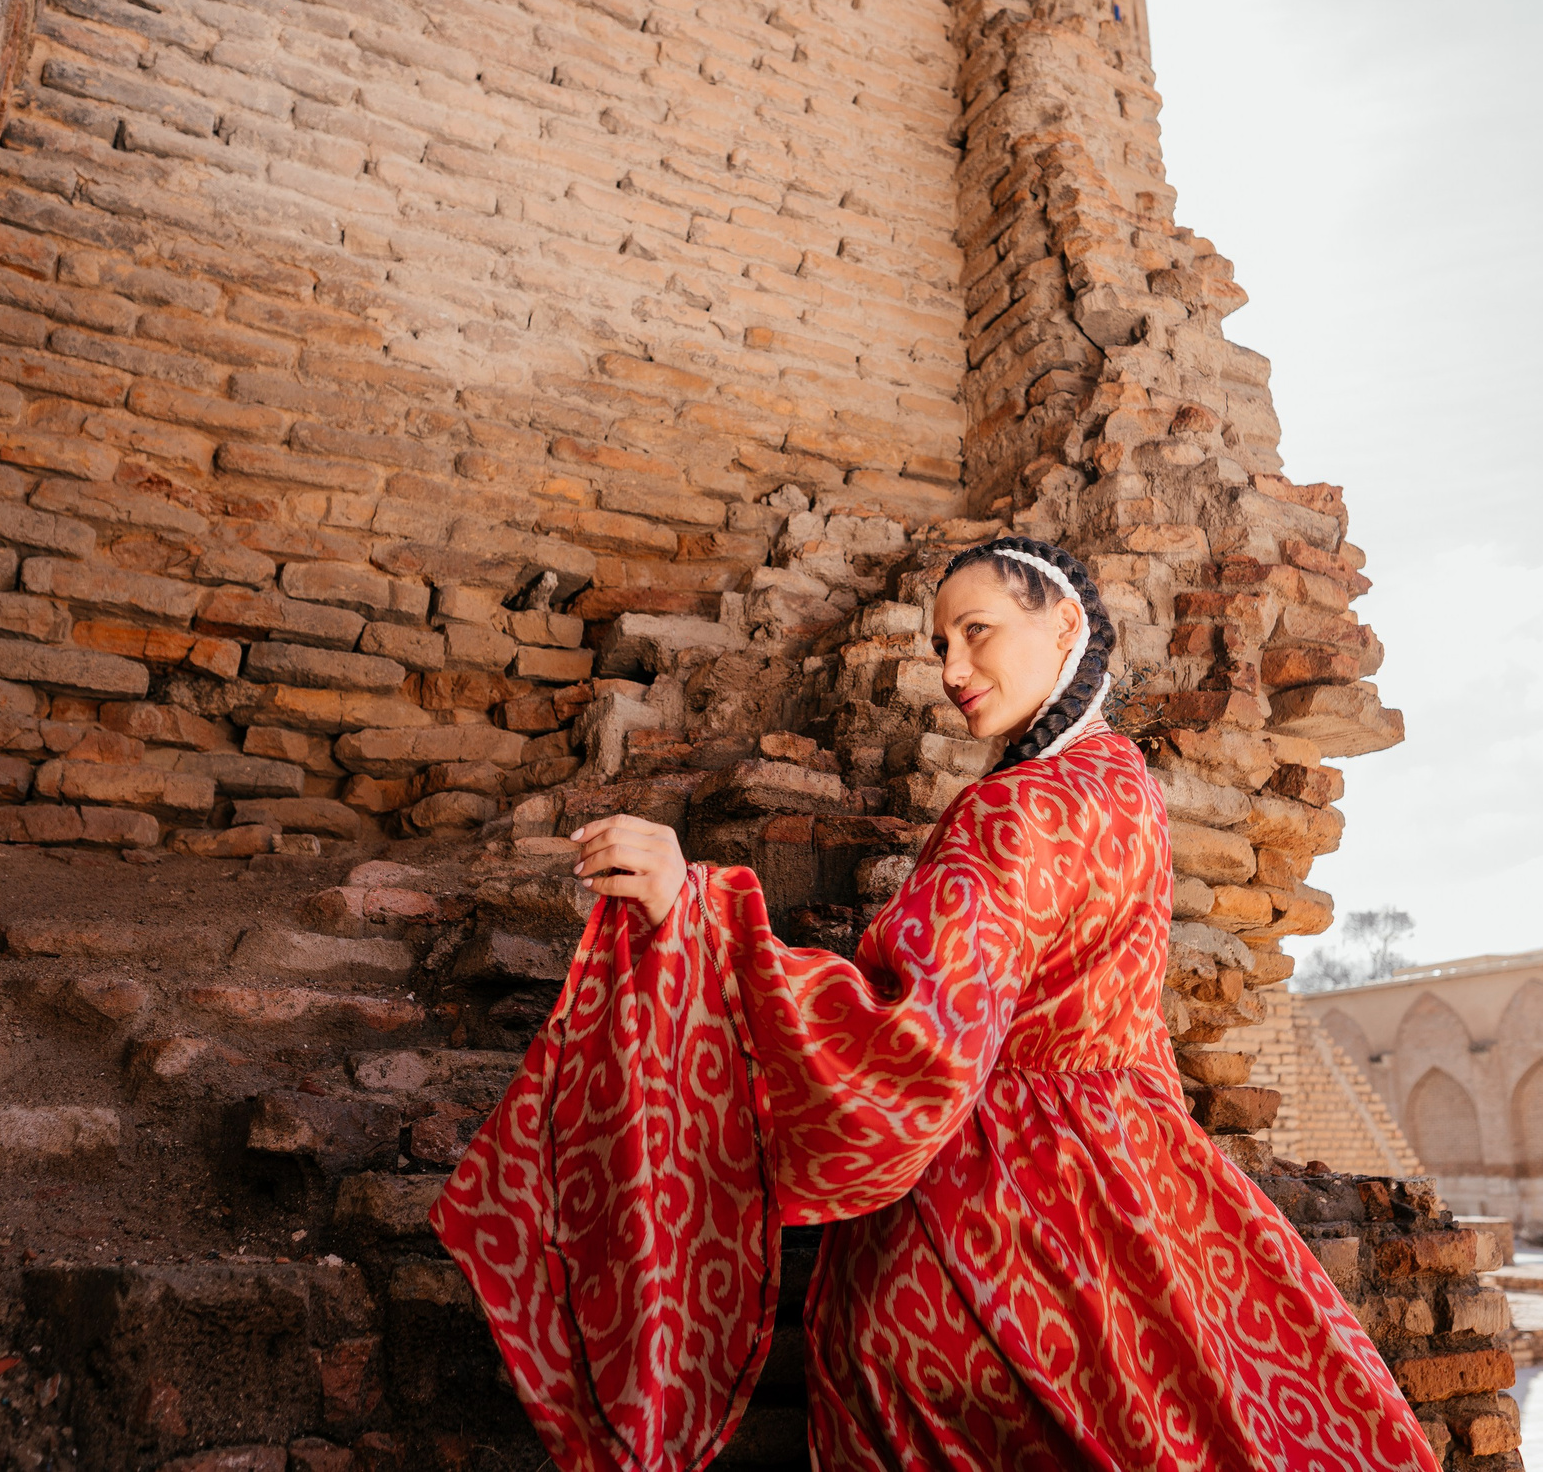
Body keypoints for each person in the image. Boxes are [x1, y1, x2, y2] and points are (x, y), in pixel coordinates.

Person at [432, 536, 1440, 1472]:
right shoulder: (1121, 782)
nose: (953, 668)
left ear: (1067, 628)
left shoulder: (1020, 808)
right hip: (1143, 1193)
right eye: (940, 643)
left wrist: (693, 909)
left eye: (979, 631)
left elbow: (916, 1036)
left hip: (988, 1229)